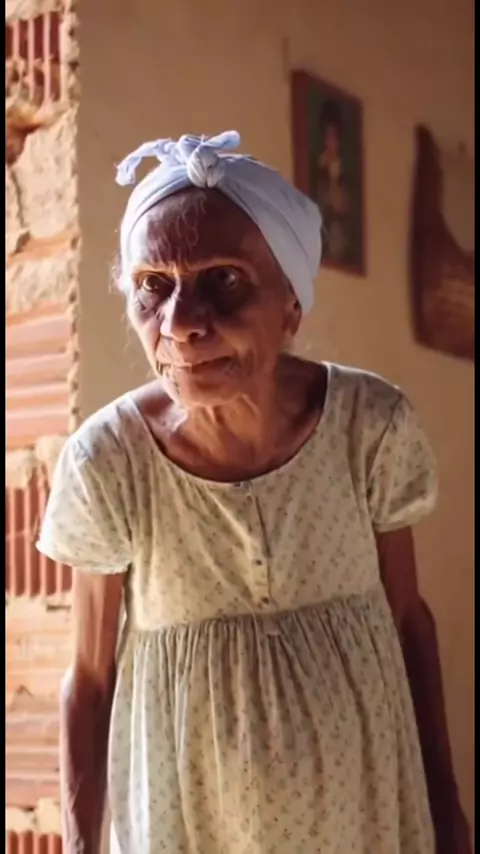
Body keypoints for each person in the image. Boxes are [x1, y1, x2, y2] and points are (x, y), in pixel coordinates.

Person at [37, 131, 470, 854]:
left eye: (225, 281)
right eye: (153, 286)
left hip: (363, 814)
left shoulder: (369, 426)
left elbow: (408, 621)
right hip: (189, 824)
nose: (181, 324)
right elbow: (90, 676)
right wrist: (81, 845)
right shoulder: (109, 462)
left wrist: (446, 804)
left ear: (291, 306)